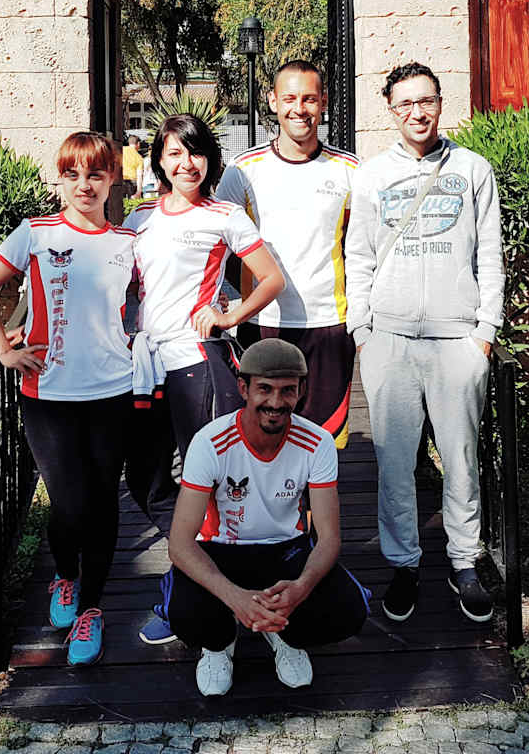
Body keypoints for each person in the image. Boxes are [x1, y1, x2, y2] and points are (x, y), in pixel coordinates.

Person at [0, 131, 137, 666]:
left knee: (103, 503)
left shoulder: (127, 241)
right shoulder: (36, 233)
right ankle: (64, 574)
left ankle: (91, 608)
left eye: (95, 174)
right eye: (73, 174)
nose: (84, 185)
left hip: (113, 390)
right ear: (60, 180)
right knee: (67, 502)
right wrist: (3, 348)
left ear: (112, 180)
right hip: (48, 392)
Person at [344, 62, 504, 625]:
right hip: (389, 340)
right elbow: (358, 256)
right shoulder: (372, 175)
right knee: (394, 464)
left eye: (426, 100)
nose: (418, 112)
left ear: (440, 102)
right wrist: (362, 331)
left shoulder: (473, 169)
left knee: (461, 459)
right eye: (406, 103)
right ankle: (404, 564)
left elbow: (490, 254)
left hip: (457, 339)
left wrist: (485, 332)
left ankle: (464, 561)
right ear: (391, 111)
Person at [123, 113, 287, 644]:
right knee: (146, 480)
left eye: (195, 152)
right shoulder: (138, 218)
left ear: (210, 160)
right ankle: (210, 579)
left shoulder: (225, 215)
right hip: (146, 367)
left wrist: (229, 314)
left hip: (198, 363)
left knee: (213, 485)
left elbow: (271, 279)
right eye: (174, 153)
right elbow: (116, 285)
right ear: (159, 161)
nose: (185, 163)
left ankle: (201, 602)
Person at [167, 339, 369, 696]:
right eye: (264, 389)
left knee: (348, 611)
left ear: (301, 391)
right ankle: (219, 644)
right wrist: (234, 597)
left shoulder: (318, 442)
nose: (276, 402)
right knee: (186, 616)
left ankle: (283, 632)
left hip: (284, 550)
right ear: (243, 388)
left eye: (287, 390)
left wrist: (300, 589)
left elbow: (329, 537)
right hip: (221, 550)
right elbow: (180, 544)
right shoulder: (210, 442)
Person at [216, 60, 360, 448]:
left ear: (324, 102)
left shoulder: (349, 169)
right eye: (290, 98)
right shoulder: (243, 170)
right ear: (273, 101)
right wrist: (226, 301)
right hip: (262, 322)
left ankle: (319, 493)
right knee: (263, 438)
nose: (300, 109)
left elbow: (361, 248)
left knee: (324, 441)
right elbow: (219, 244)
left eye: (310, 99)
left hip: (328, 323)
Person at [122, 131, 147, 198]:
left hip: (120, 180)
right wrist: (139, 192)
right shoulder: (139, 157)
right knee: (131, 201)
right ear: (138, 144)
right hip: (132, 182)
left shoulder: (121, 150)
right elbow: (139, 175)